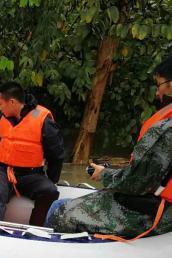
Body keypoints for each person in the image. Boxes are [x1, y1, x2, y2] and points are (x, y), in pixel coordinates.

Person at [46, 56, 172, 239]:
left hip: (157, 212)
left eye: (159, 85)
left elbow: (136, 183)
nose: (157, 93)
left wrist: (104, 174)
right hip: (156, 201)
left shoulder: (165, 130)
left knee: (59, 210)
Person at [0, 82, 64, 226]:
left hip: (30, 174)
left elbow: (56, 154)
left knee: (50, 191)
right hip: (3, 170)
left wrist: (52, 179)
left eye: (0, 104)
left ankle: (35, 230)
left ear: (12, 102)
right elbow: (2, 141)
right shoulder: (5, 117)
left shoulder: (43, 120)